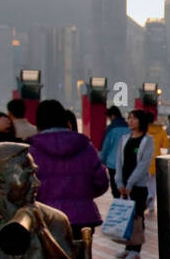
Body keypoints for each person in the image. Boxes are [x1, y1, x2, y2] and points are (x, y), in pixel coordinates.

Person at [28, 99, 110, 239]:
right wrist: (82, 196)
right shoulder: (85, 147)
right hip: (82, 219)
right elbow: (101, 182)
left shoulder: (32, 150)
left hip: (45, 218)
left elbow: (27, 187)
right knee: (79, 258)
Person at [114, 109, 154, 259]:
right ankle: (127, 247)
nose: (130, 121)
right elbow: (119, 161)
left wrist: (130, 183)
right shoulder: (125, 138)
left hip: (138, 185)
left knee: (137, 216)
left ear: (141, 121)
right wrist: (119, 182)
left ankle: (136, 249)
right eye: (129, 118)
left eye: (134, 118)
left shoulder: (147, 140)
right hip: (123, 184)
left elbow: (144, 164)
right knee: (125, 215)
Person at [145, 108, 168, 210]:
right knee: (153, 183)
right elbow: (166, 144)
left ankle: (146, 198)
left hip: (144, 160)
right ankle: (151, 204)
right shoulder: (161, 130)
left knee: (144, 182)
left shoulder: (143, 129)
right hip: (155, 160)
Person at [100, 106, 129, 174]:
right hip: (127, 163)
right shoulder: (130, 127)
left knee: (114, 183)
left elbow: (105, 147)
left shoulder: (110, 129)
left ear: (112, 116)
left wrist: (102, 161)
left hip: (113, 164)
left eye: (109, 117)